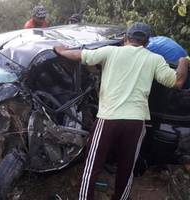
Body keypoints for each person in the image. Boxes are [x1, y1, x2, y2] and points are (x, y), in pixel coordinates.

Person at [54, 22, 189, 200]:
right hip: (135, 123)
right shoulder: (154, 59)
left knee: (92, 167)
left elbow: (80, 55)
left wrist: (61, 50)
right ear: (147, 43)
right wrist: (183, 61)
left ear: (125, 39)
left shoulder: (111, 51)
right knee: (126, 169)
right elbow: (177, 82)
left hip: (108, 119)